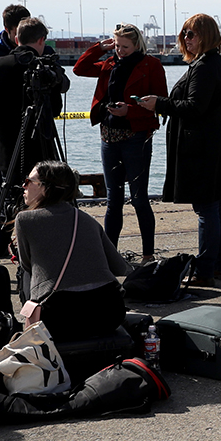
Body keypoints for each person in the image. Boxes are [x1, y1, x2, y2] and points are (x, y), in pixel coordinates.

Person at [139, 14, 221, 287]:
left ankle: (206, 270)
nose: (185, 39)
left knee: (207, 207)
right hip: (213, 145)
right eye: (183, 34)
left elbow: (195, 107)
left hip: (203, 148)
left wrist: (159, 104)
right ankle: (220, 265)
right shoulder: (210, 64)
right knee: (215, 205)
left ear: (205, 36)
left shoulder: (205, 66)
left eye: (190, 34)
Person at [72, 23, 168, 263]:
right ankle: (109, 256)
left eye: (125, 46)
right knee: (113, 200)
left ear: (137, 45)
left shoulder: (151, 65)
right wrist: (98, 48)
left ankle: (148, 255)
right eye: (116, 45)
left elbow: (161, 103)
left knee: (139, 198)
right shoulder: (109, 63)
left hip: (136, 136)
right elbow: (79, 69)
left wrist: (131, 111)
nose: (120, 50)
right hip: (109, 135)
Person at [15, 160, 129, 342]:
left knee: (26, 273)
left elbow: (27, 265)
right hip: (109, 312)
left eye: (29, 181)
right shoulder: (86, 219)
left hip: (60, 317)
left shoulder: (25, 220)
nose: (24, 186)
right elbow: (120, 268)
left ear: (45, 188)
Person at [0, 16, 68, 190]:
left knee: (10, 199)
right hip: (41, 147)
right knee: (45, 197)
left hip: (7, 147)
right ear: (41, 40)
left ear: (16, 39)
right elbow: (56, 108)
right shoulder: (44, 69)